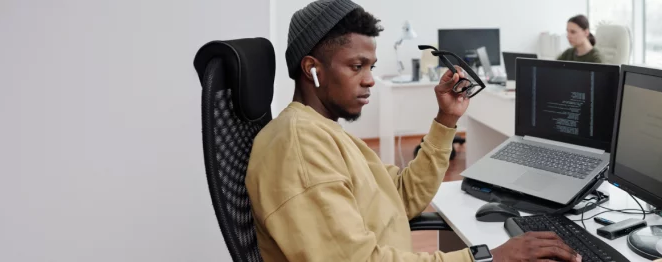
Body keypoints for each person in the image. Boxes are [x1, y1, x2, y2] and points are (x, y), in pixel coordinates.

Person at [245, 1, 582, 261]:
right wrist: (487, 257)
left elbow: (402, 195)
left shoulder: (322, 131)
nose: (369, 79)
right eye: (356, 66)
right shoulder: (299, 148)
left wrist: (445, 120)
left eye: (371, 67)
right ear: (312, 69)